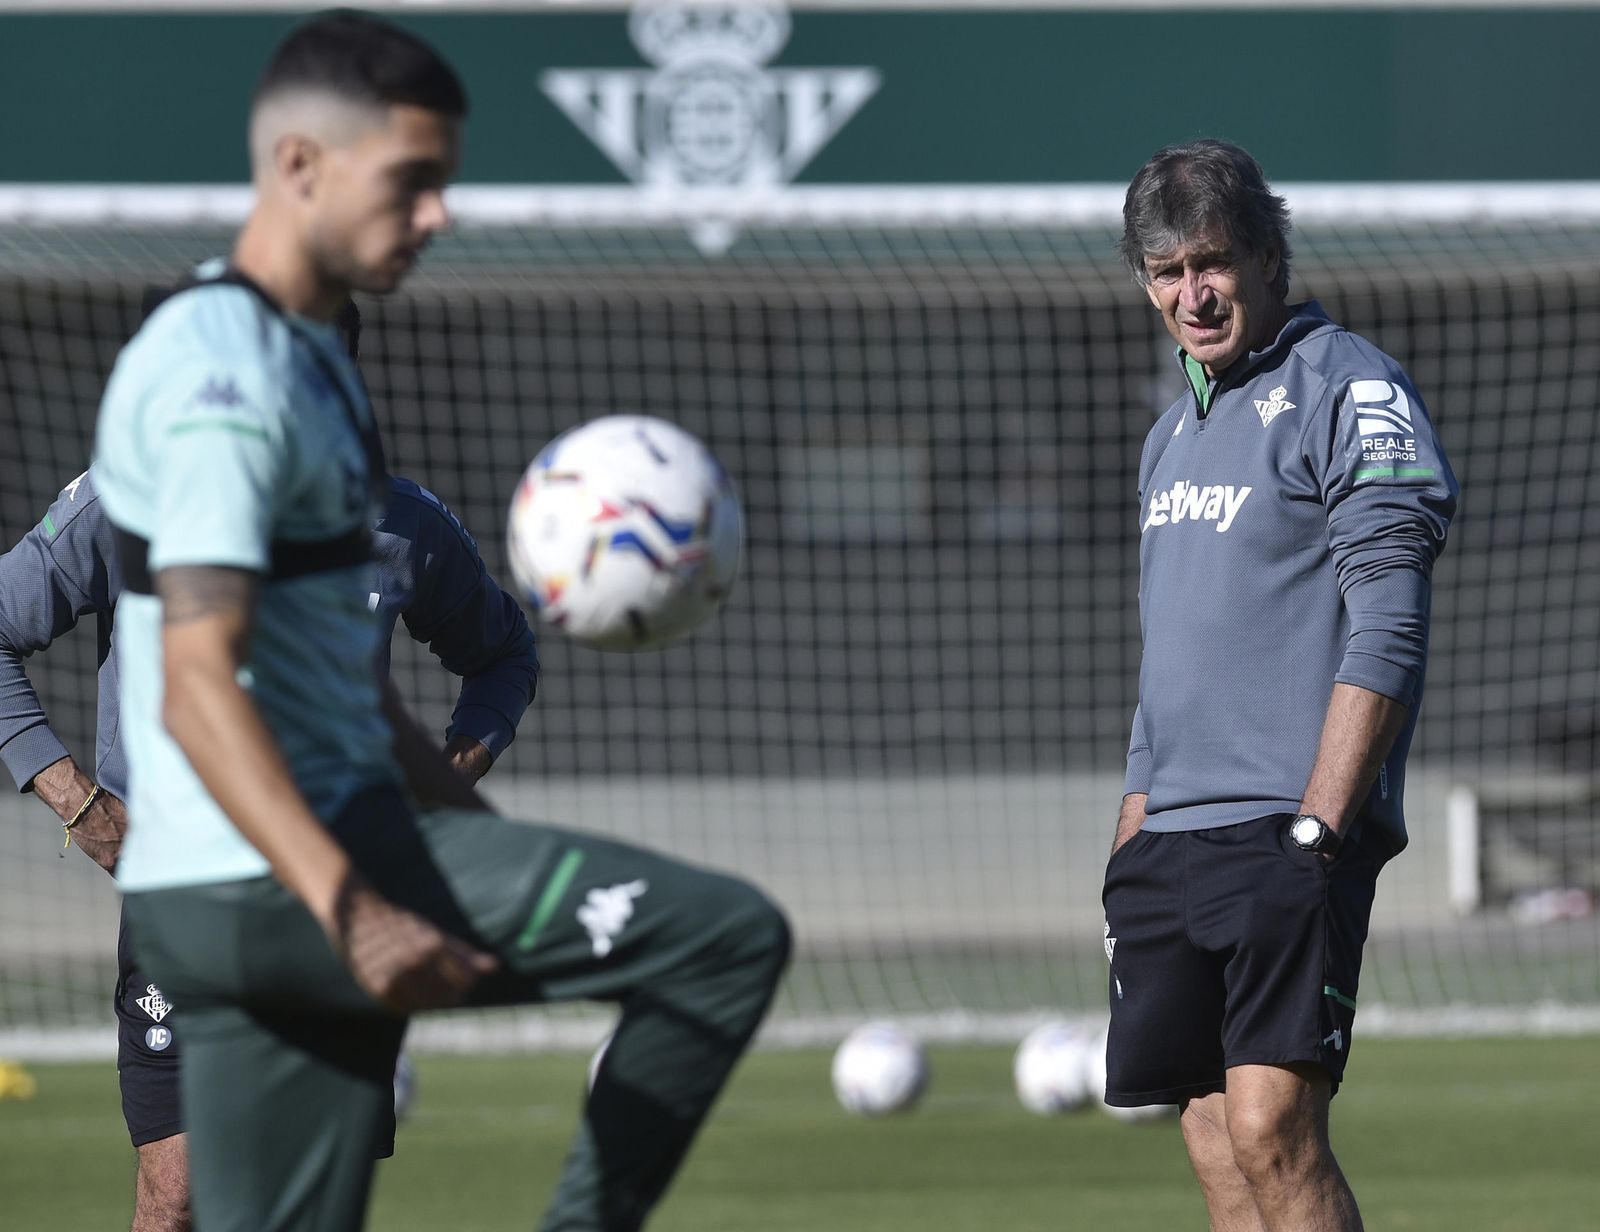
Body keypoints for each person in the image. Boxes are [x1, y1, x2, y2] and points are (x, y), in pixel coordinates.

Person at [90, 12, 789, 1232]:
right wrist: (356, 906)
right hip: (269, 877)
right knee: (720, 939)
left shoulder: (311, 371)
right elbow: (196, 683)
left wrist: (476, 835)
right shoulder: (219, 368)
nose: (438, 216)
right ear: (301, 163)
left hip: (246, 883)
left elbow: (340, 689)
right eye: (412, 182)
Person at [0, 433, 538, 1231]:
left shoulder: (399, 522)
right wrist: (78, 801)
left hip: (342, 901)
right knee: (177, 1194)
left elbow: (504, 653)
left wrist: (445, 779)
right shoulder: (131, 495)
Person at [1102, 139, 1458, 1232]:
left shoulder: (1346, 384)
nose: (1190, 293)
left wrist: (1320, 823)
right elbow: (1168, 659)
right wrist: (1127, 842)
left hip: (1285, 825)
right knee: (1212, 1137)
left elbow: (1389, 616)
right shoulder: (1170, 436)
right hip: (1170, 843)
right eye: (1164, 270)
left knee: (1270, 1128)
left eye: (1210, 261)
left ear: (1267, 255)